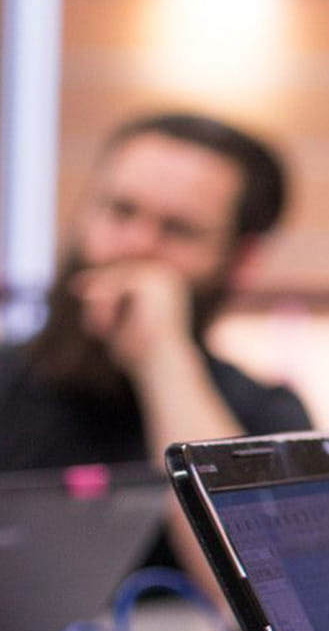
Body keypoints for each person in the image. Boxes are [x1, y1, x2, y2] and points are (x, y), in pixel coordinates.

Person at [0, 111, 310, 589]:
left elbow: (273, 597)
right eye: (120, 211)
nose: (135, 245)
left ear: (241, 260)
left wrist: (162, 358)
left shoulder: (264, 417)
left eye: (178, 230)